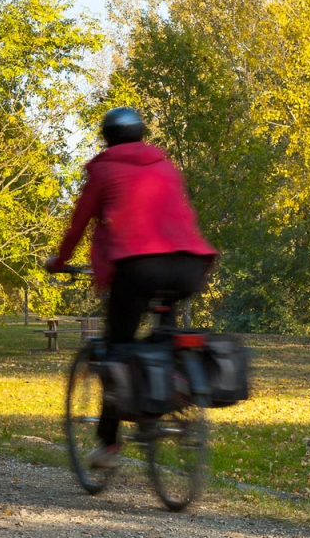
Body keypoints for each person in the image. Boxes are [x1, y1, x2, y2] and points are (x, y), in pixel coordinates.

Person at [46, 107, 218, 468]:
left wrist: (59, 262)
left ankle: (108, 446)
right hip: (189, 265)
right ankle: (171, 385)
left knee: (117, 350)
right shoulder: (165, 166)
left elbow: (78, 224)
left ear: (107, 138)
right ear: (141, 133)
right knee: (165, 337)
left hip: (139, 268)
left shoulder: (104, 170)